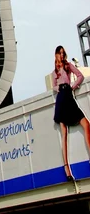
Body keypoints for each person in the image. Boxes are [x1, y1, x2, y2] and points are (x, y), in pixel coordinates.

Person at [52, 45, 90, 180]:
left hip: (68, 95)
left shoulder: (68, 66)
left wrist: (73, 86)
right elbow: (54, 86)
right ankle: (66, 168)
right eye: (59, 53)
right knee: (64, 134)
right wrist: (59, 88)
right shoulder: (55, 72)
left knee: (86, 124)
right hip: (61, 98)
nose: (61, 55)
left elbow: (79, 76)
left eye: (63, 53)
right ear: (56, 55)